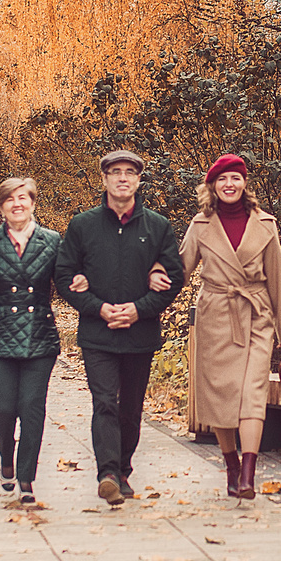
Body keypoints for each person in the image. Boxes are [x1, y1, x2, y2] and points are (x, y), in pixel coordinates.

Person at [56, 149, 185, 506]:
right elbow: (64, 275)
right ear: (105, 179)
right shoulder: (83, 225)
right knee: (104, 404)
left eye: (130, 172)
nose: (123, 178)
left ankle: (124, 469)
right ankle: (107, 473)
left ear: (139, 180)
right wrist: (98, 308)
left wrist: (138, 310)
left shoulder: (157, 227)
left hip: (139, 334)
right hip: (98, 335)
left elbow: (175, 277)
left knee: (130, 407)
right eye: (116, 172)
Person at [181, 154, 281, 500]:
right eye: (222, 180)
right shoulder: (200, 225)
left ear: (245, 183)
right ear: (212, 186)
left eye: (235, 178)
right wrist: (144, 299)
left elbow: (278, 279)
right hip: (216, 316)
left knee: (252, 394)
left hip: (257, 316)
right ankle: (230, 463)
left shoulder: (265, 224)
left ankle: (248, 473)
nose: (229, 185)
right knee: (221, 398)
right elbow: (179, 271)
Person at [0, 177, 64, 506]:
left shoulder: (52, 241)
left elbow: (65, 283)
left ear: (33, 202)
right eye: (10, 199)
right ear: (1, 206)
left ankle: (26, 480)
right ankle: (7, 459)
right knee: (4, 409)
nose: (17, 203)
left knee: (32, 408)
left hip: (40, 336)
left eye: (23, 198)